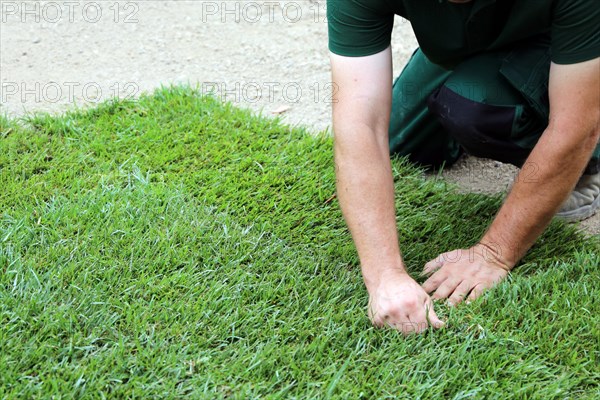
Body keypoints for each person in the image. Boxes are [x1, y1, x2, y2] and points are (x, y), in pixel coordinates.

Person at [327, 0, 600, 334]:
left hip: (570, 42)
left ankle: (585, 166)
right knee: (400, 140)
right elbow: (360, 121)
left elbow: (574, 128)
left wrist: (493, 253)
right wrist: (385, 276)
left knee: (476, 109)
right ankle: (473, 85)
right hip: (473, 40)